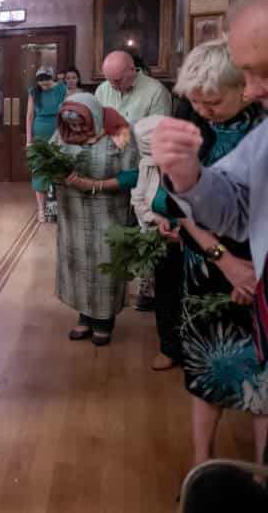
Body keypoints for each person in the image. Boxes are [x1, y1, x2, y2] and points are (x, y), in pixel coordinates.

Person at [155, 38, 268, 466]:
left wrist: (253, 272)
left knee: (262, 378)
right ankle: (202, 466)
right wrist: (225, 261)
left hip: (259, 268)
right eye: (196, 102)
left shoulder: (262, 134)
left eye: (213, 102)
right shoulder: (192, 123)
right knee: (205, 371)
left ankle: (260, 473)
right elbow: (177, 201)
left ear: (245, 88)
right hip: (205, 267)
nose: (202, 111)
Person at [52, 93, 138, 346]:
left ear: (95, 116)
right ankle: (84, 316)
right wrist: (55, 174)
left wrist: (95, 184)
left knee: (104, 265)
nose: (76, 129)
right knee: (78, 265)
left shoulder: (119, 132)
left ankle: (104, 321)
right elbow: (50, 159)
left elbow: (133, 175)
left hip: (108, 210)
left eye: (81, 123)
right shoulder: (62, 132)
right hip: (73, 213)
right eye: (72, 125)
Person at [130, 114, 179, 370]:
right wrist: (156, 220)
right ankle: (168, 348)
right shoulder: (147, 165)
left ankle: (193, 350)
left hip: (193, 243)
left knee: (188, 295)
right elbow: (138, 200)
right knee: (165, 295)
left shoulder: (194, 164)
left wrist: (184, 230)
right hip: (160, 238)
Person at [25, 67, 68, 221]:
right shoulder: (34, 91)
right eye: (42, 85)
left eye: (48, 84)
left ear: (53, 79)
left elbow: (66, 112)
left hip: (57, 132)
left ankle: (53, 211)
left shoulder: (62, 89)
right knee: (39, 172)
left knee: (56, 173)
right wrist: (29, 140)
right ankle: (41, 210)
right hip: (39, 134)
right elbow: (30, 116)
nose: (45, 87)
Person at [95, 50, 172, 124]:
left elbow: (159, 132)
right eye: (109, 80)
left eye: (118, 81)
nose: (112, 86)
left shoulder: (157, 91)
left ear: (132, 69)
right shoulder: (102, 89)